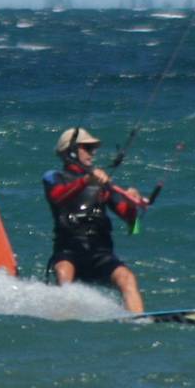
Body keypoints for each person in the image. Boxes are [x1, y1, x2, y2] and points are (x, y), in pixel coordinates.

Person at [42, 127, 150, 313]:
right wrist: (86, 180)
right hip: (68, 251)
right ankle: (66, 320)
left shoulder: (104, 185)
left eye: (93, 149)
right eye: (87, 148)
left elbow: (131, 222)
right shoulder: (53, 177)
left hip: (100, 253)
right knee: (63, 273)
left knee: (127, 278)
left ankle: (138, 320)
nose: (93, 153)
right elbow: (57, 197)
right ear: (71, 151)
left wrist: (132, 205)